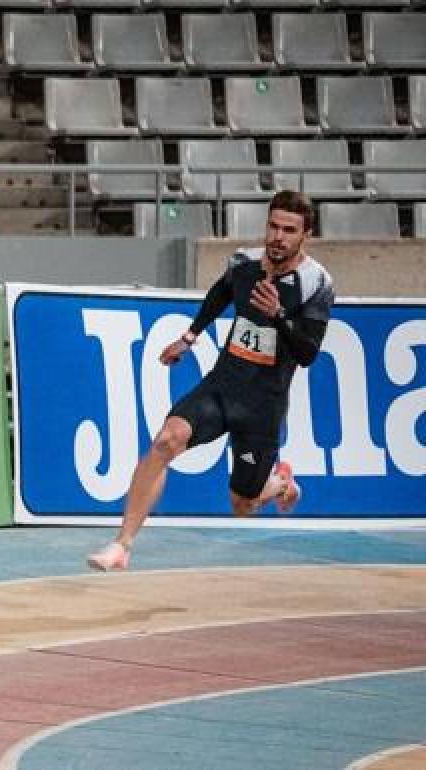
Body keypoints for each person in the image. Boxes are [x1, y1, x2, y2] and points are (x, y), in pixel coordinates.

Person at [87, 190, 334, 571]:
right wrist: (189, 337)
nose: (278, 237)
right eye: (273, 226)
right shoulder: (244, 262)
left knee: (242, 505)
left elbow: (307, 354)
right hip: (223, 384)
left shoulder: (316, 283)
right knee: (166, 440)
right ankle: (122, 545)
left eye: (289, 230)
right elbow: (220, 295)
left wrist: (279, 315)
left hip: (262, 406)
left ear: (306, 236)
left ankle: (281, 483)